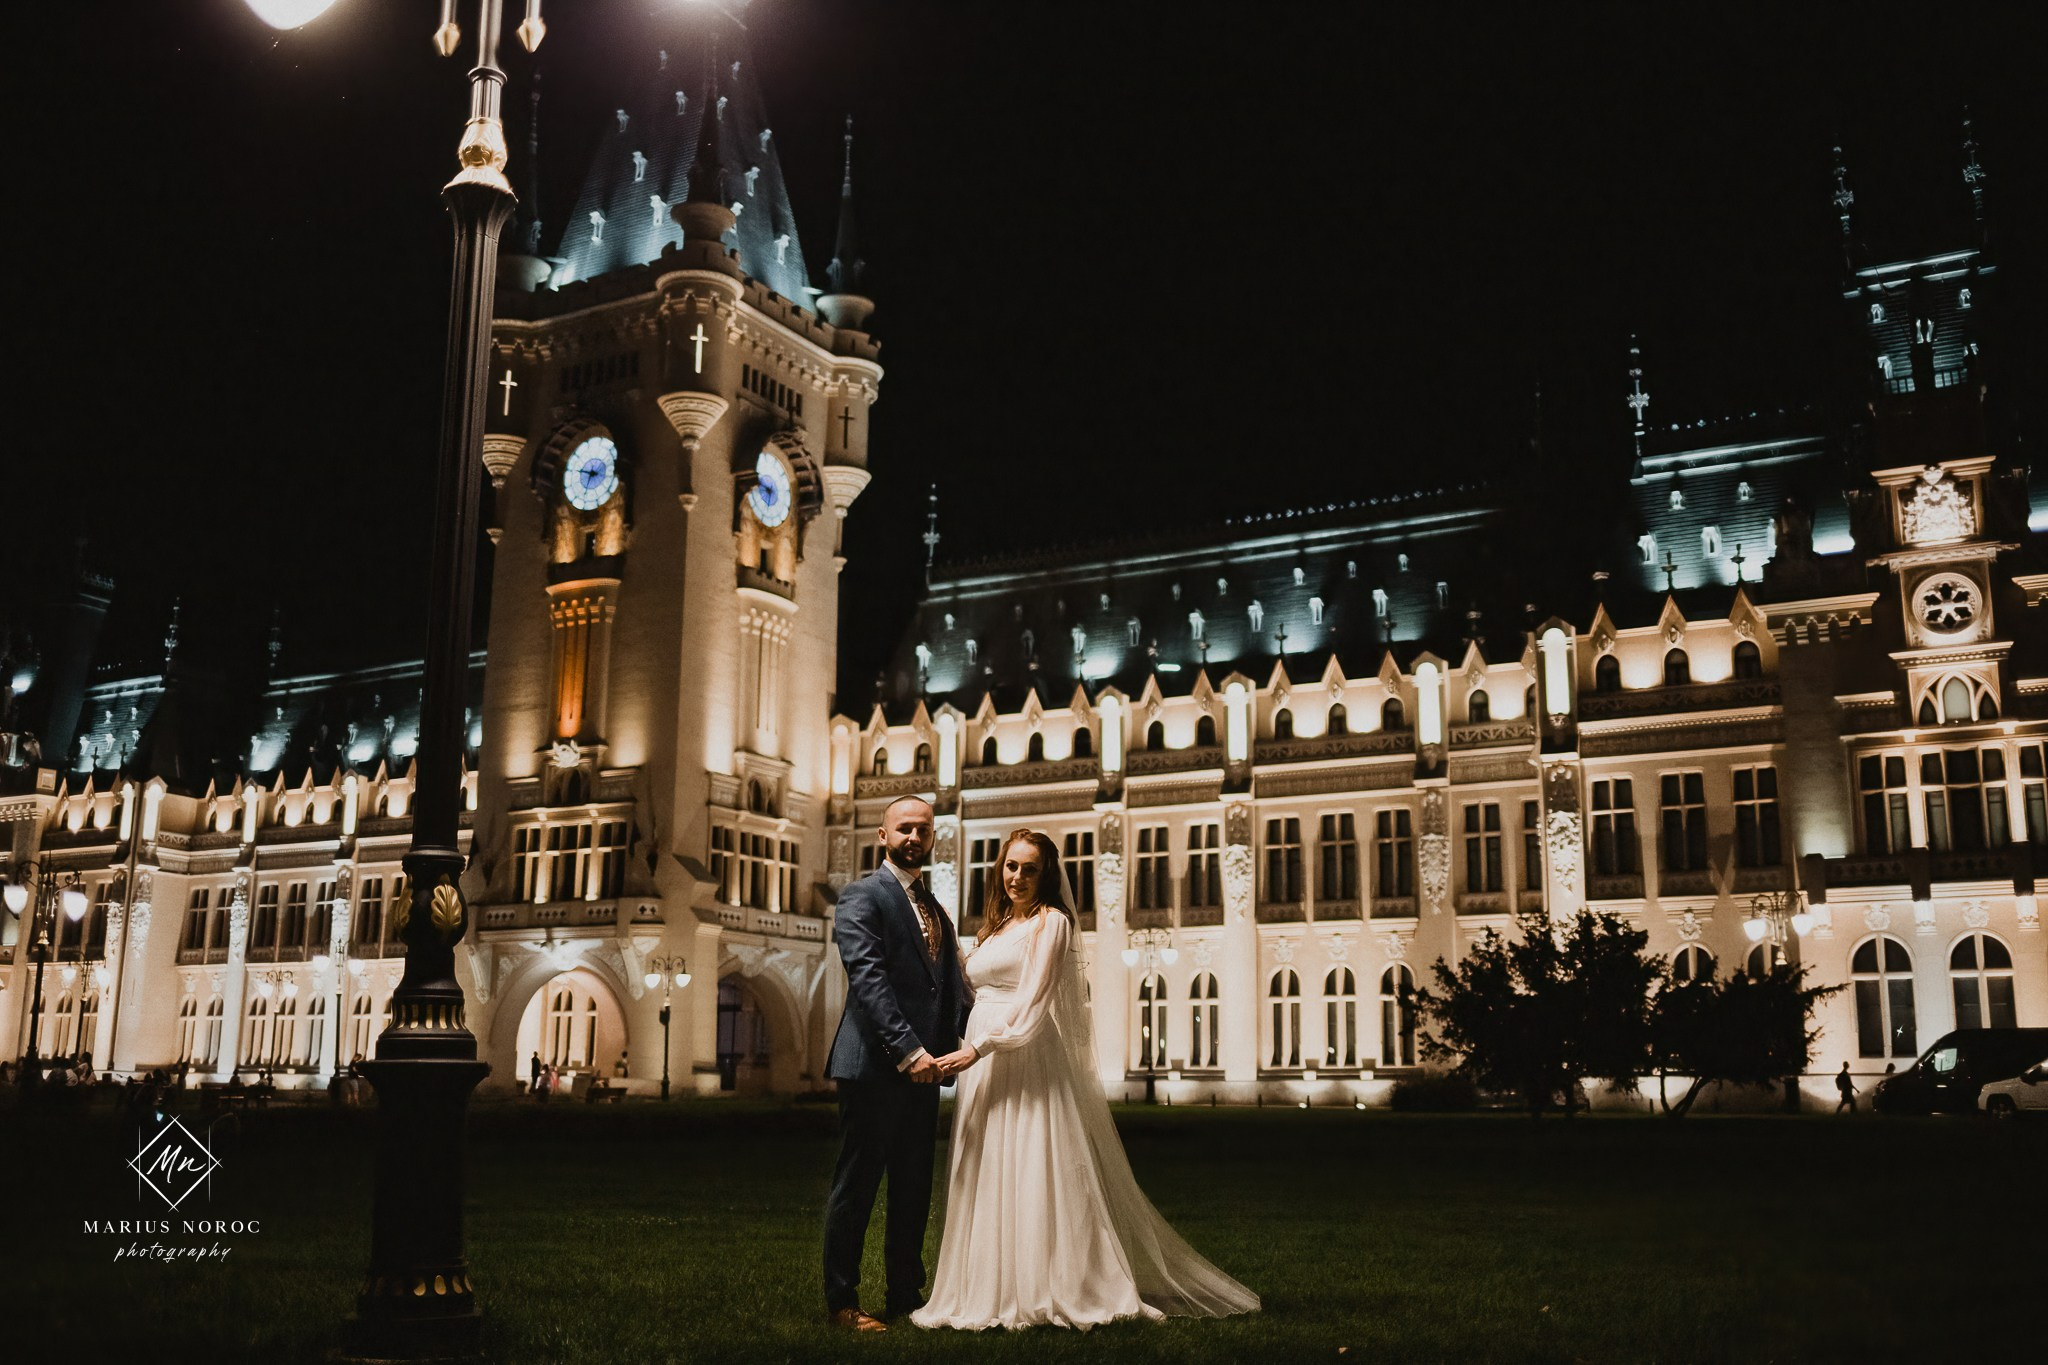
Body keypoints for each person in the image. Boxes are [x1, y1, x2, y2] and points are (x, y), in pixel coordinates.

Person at [911, 829, 1259, 1331]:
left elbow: (1032, 1006)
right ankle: (983, 1283)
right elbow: (969, 989)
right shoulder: (995, 927)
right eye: (1011, 866)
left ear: (1046, 874)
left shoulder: (1053, 924)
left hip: (1023, 1053)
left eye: (1029, 869)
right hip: (981, 1056)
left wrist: (977, 1048)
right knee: (986, 1162)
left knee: (1031, 1160)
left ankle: (1046, 1283)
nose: (1017, 877)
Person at [821, 795, 971, 1333]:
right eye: (904, 829)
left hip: (926, 1070)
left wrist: (964, 1043)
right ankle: (842, 1304)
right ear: (882, 836)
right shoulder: (862, 897)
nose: (914, 837)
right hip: (874, 1068)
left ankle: (906, 1296)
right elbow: (869, 981)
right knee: (857, 1187)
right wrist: (910, 1052)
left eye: (923, 830)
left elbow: (951, 987)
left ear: (933, 838)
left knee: (912, 1187)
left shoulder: (934, 907)